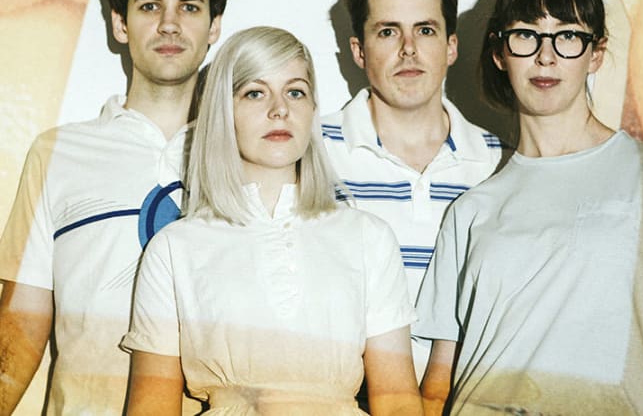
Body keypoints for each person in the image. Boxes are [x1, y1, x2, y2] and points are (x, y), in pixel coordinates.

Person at [415, 0, 643, 415]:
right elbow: (438, 385)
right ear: (499, 52)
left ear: (596, 53)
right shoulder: (471, 210)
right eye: (526, 35)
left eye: (568, 36)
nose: (545, 56)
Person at [121, 26, 421, 415]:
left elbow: (397, 400)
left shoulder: (368, 236)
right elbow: (151, 407)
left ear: (312, 109)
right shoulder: (173, 248)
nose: (280, 109)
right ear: (222, 113)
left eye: (295, 92)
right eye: (255, 93)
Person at [0, 0, 231, 414]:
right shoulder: (58, 152)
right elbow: (20, 322)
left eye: (189, 7)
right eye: (150, 5)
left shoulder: (249, 158)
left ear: (214, 26)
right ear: (120, 23)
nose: (169, 24)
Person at [321, 0, 503, 379]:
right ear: (359, 51)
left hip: (463, 396)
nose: (408, 49)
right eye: (388, 31)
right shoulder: (309, 150)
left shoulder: (500, 163)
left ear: (451, 46)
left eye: (425, 30)